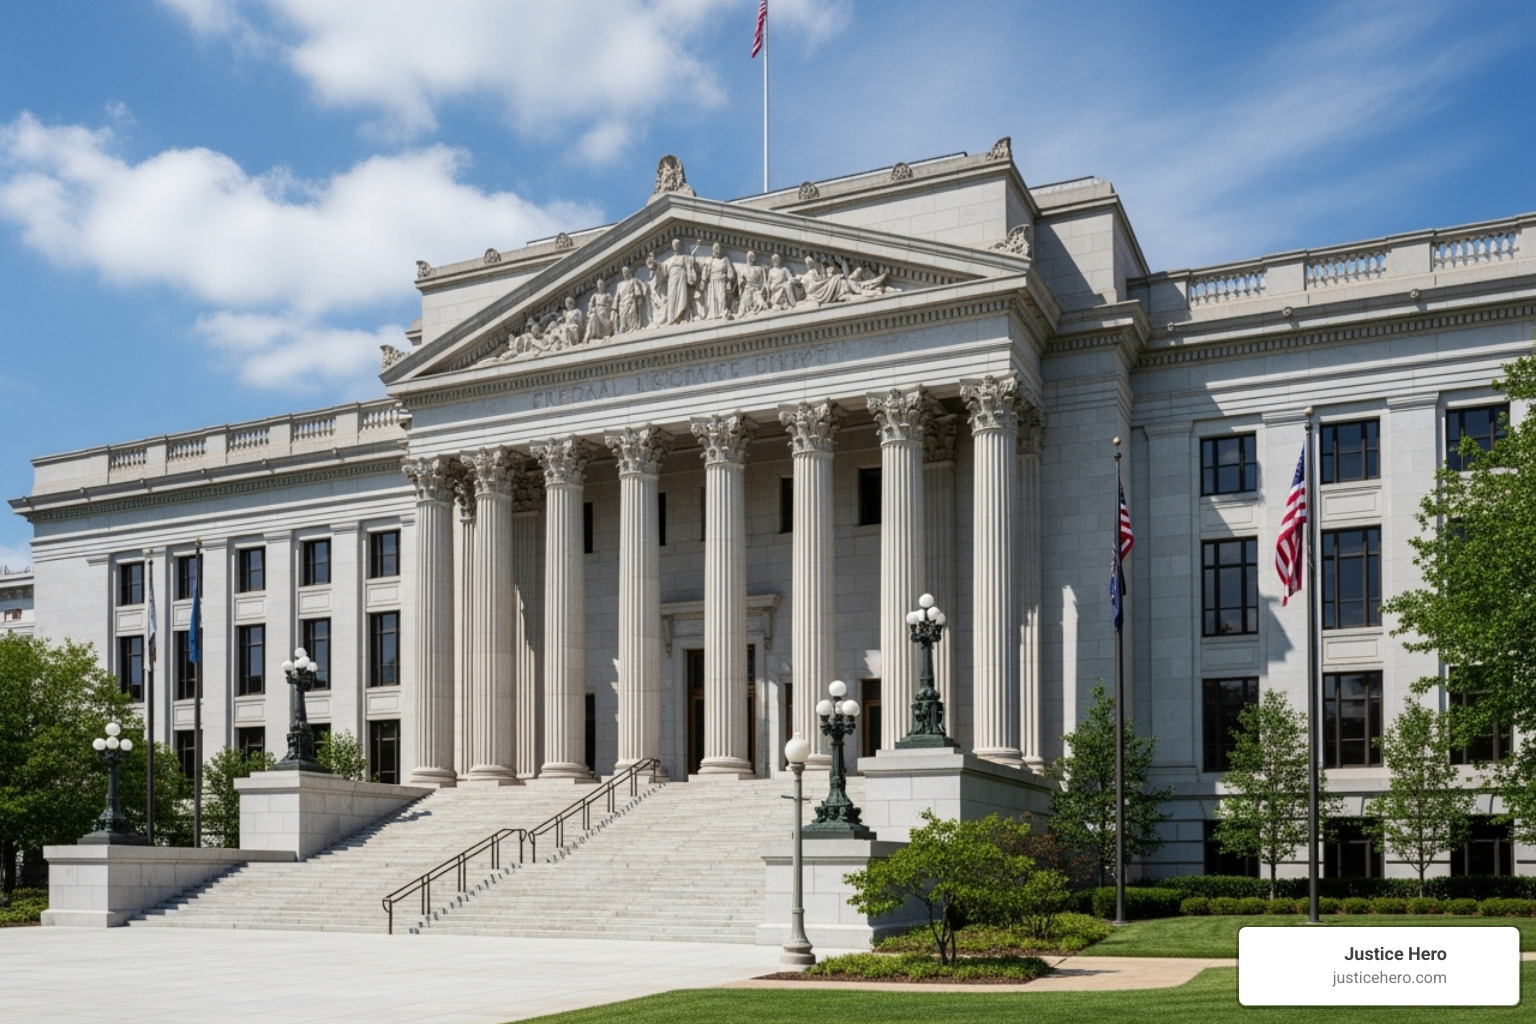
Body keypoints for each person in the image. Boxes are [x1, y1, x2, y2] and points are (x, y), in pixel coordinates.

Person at [658, 238, 697, 325]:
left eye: (678, 245)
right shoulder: (669, 260)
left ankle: (681, 316)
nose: (677, 247)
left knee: (682, 296)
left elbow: (690, 266)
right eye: (675, 245)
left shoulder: (685, 258)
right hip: (672, 280)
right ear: (672, 247)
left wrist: (692, 259)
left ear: (681, 246)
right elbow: (662, 271)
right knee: (672, 297)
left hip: (681, 278)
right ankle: (671, 318)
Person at [700, 242, 737, 320]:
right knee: (713, 299)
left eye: (718, 248)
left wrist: (729, 281)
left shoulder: (725, 260)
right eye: (715, 249)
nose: (717, 251)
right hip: (712, 282)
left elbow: (730, 272)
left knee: (721, 298)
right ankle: (713, 314)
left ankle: (723, 312)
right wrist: (706, 266)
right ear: (713, 251)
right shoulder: (710, 261)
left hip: (722, 281)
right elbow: (704, 276)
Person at [735, 251, 769, 318]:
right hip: (747, 291)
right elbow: (740, 285)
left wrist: (761, 291)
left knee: (763, 306)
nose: (750, 259)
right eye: (749, 257)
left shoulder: (758, 269)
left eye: (752, 257)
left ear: (754, 259)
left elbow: (764, 283)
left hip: (756, 291)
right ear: (746, 258)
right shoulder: (743, 269)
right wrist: (740, 295)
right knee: (741, 312)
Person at [615, 265, 646, 334]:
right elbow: (617, 297)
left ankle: (633, 327)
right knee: (623, 316)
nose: (625, 273)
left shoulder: (633, 281)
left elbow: (638, 290)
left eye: (626, 271)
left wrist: (639, 297)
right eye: (624, 272)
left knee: (631, 314)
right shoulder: (619, 285)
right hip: (622, 304)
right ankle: (624, 328)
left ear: (629, 272)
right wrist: (614, 307)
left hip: (631, 301)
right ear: (622, 273)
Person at [584, 276, 614, 343]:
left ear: (604, 286)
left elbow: (612, 305)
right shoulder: (595, 296)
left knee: (599, 312)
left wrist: (606, 307)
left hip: (605, 311)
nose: (600, 286)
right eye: (599, 285)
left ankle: (605, 333)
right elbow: (590, 304)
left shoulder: (607, 295)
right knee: (594, 315)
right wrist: (591, 310)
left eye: (601, 284)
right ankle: (595, 334)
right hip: (596, 311)